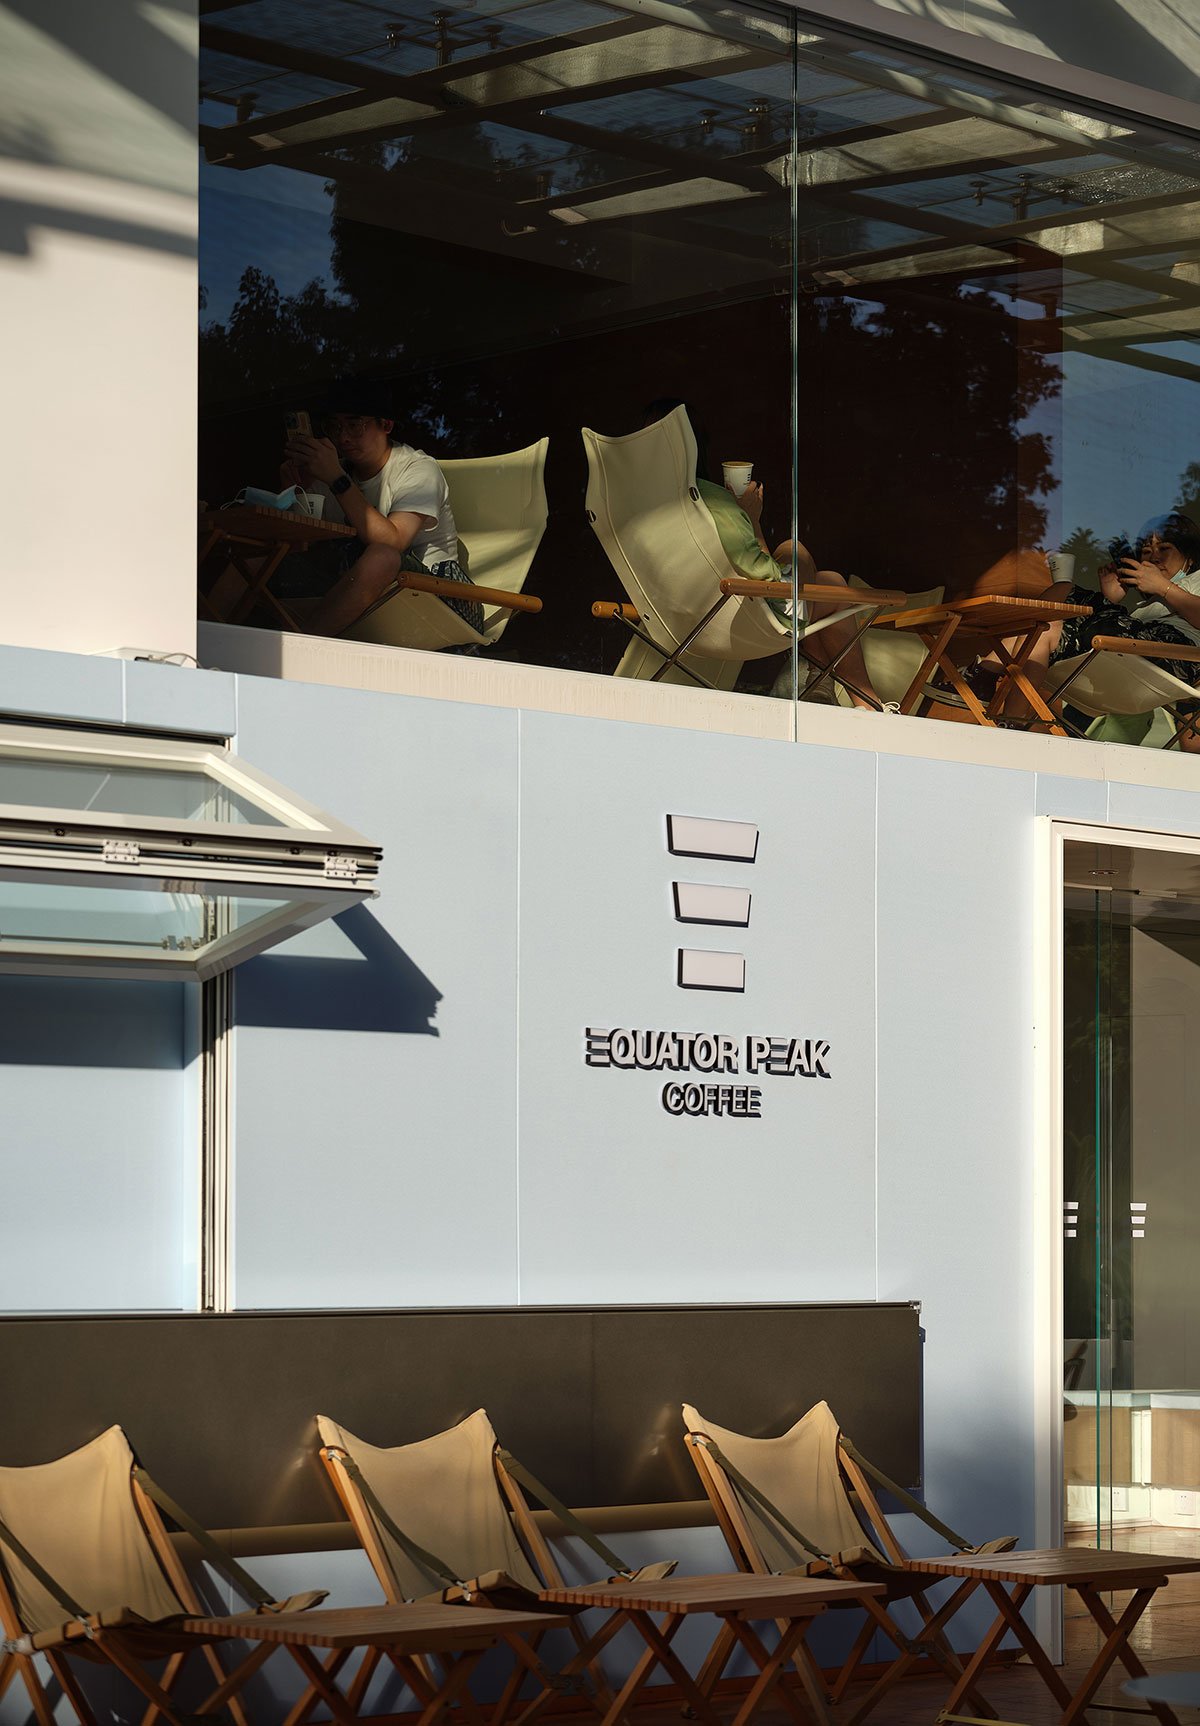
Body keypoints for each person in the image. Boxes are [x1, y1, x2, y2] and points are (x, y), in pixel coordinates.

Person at [641, 400, 884, 710]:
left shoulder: (643, 508)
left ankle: (823, 689)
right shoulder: (708, 499)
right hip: (736, 623)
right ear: (696, 446)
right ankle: (865, 702)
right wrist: (750, 519)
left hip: (677, 620)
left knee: (825, 581)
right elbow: (764, 575)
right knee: (806, 560)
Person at [279, 384, 477, 639]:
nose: (343, 437)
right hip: (359, 594)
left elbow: (392, 543)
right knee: (257, 558)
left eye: (354, 425)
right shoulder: (333, 471)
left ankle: (297, 647)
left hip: (435, 598)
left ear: (386, 425)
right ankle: (227, 641)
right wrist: (294, 489)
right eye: (334, 427)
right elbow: (299, 547)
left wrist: (337, 479)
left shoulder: (417, 468)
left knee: (382, 556)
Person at [1016, 512, 1200, 748]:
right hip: (1129, 659)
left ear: (1189, 558)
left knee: (1067, 593)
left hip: (1172, 655)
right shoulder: (1146, 607)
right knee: (1046, 626)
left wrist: (1162, 587)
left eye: (1164, 548)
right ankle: (1011, 718)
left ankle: (987, 674)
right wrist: (1110, 599)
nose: (1154, 557)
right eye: (1146, 551)